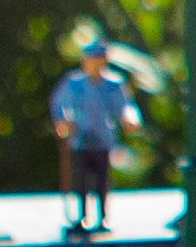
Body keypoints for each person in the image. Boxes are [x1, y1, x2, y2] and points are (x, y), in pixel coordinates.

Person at [48, 47, 136, 236]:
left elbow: (125, 106)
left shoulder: (114, 84)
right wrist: (63, 120)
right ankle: (80, 217)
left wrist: (130, 119)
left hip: (103, 140)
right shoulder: (74, 83)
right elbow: (60, 104)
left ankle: (103, 217)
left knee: (102, 181)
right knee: (80, 179)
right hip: (80, 138)